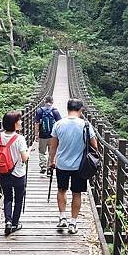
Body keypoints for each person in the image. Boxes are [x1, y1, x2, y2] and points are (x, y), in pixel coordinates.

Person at [48, 98, 97, 234]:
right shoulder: (86, 125)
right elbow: (95, 145)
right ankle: (73, 223)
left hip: (62, 164)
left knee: (61, 190)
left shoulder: (58, 124)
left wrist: (51, 161)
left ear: (67, 108)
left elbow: (53, 146)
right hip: (80, 166)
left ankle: (62, 217)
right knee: (77, 193)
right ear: (80, 110)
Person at [0, 111, 29, 236]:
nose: (21, 122)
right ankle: (15, 224)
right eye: (19, 120)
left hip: (4, 172)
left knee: (8, 198)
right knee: (18, 199)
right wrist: (28, 151)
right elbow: (24, 158)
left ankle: (7, 222)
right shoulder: (19, 138)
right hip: (18, 173)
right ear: (14, 124)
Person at [34, 96, 61, 174]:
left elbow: (37, 123)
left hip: (42, 135)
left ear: (45, 101)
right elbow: (59, 123)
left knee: (42, 151)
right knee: (51, 151)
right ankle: (49, 166)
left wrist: (36, 134)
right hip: (53, 136)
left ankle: (43, 166)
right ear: (52, 102)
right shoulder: (55, 111)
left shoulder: (39, 111)